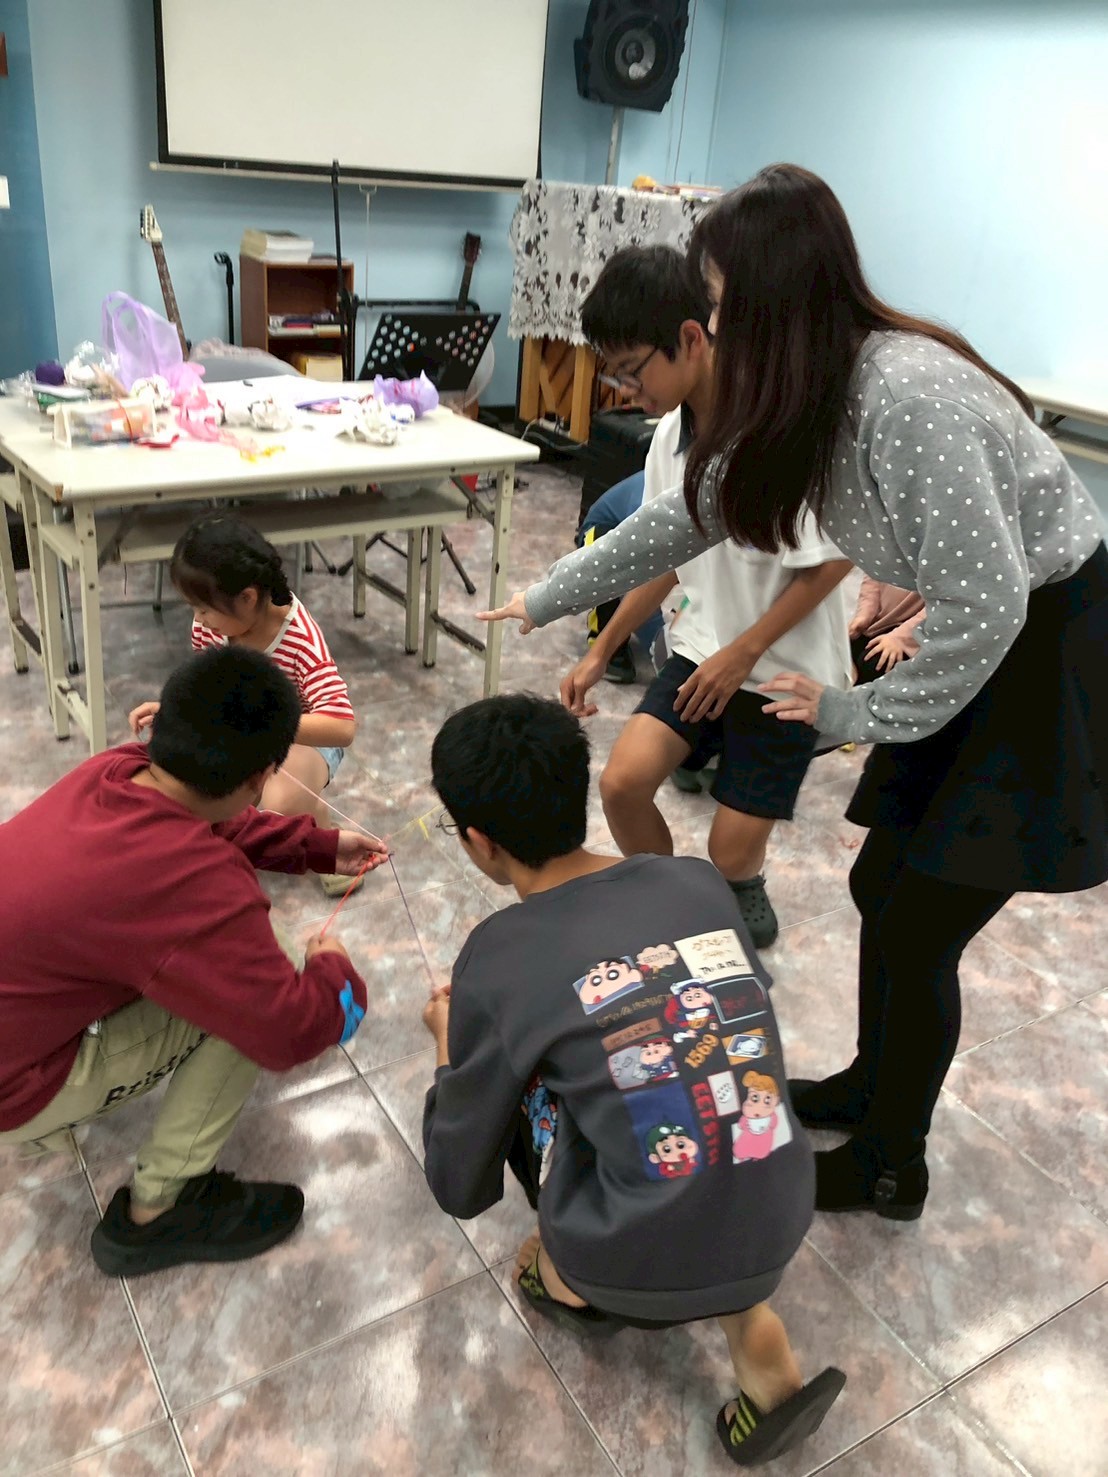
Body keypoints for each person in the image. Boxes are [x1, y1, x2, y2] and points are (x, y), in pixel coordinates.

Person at [479, 165, 1108, 1220]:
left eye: (721, 305)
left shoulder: (906, 395)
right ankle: (872, 1086)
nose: (712, 330)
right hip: (974, 631)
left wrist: (855, 713)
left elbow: (991, 603)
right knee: (881, 889)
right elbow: (677, 522)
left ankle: (892, 1162)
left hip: (1041, 648)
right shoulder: (800, 402)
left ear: (777, 300)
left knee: (920, 921)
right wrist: (547, 596)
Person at [420, 694, 844, 1468]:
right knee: (687, 1070)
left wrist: (451, 1047)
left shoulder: (498, 952)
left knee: (532, 1079)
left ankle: (569, 1279)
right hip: (781, 1209)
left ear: (479, 840)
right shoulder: (696, 881)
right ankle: (750, 1322)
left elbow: (460, 1172)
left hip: (627, 1258)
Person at [0, 646, 387, 1276]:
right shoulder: (194, 884)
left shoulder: (118, 770)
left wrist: (314, 847)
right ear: (261, 776)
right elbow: (287, 1030)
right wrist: (335, 974)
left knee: (230, 965)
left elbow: (212, 820)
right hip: (16, 1086)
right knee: (246, 1002)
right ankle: (159, 1210)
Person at [562, 244, 854, 948]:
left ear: (691, 338)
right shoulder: (669, 435)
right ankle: (673, 901)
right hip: (703, 650)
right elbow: (663, 554)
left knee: (729, 849)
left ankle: (740, 883)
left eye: (633, 371)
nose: (628, 392)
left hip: (785, 670)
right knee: (622, 784)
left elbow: (834, 560)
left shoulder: (780, 426)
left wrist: (743, 653)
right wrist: (601, 648)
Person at [129, 512, 359, 897]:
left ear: (248, 598)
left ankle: (319, 821)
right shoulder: (212, 627)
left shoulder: (300, 639)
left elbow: (342, 727)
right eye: (194, 608)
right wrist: (177, 711)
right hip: (248, 728)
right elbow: (211, 689)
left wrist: (260, 724)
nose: (198, 619)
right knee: (184, 774)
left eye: (204, 608)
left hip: (306, 738)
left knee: (278, 804)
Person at [576, 470, 664, 684]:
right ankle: (604, 643)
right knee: (616, 566)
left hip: (640, 536)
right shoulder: (648, 503)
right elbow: (642, 589)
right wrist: (665, 654)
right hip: (599, 535)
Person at [848, 577, 926, 685]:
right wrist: (865, 615)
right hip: (877, 623)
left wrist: (900, 638)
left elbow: (940, 608)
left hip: (916, 633)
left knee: (875, 664)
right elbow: (872, 576)